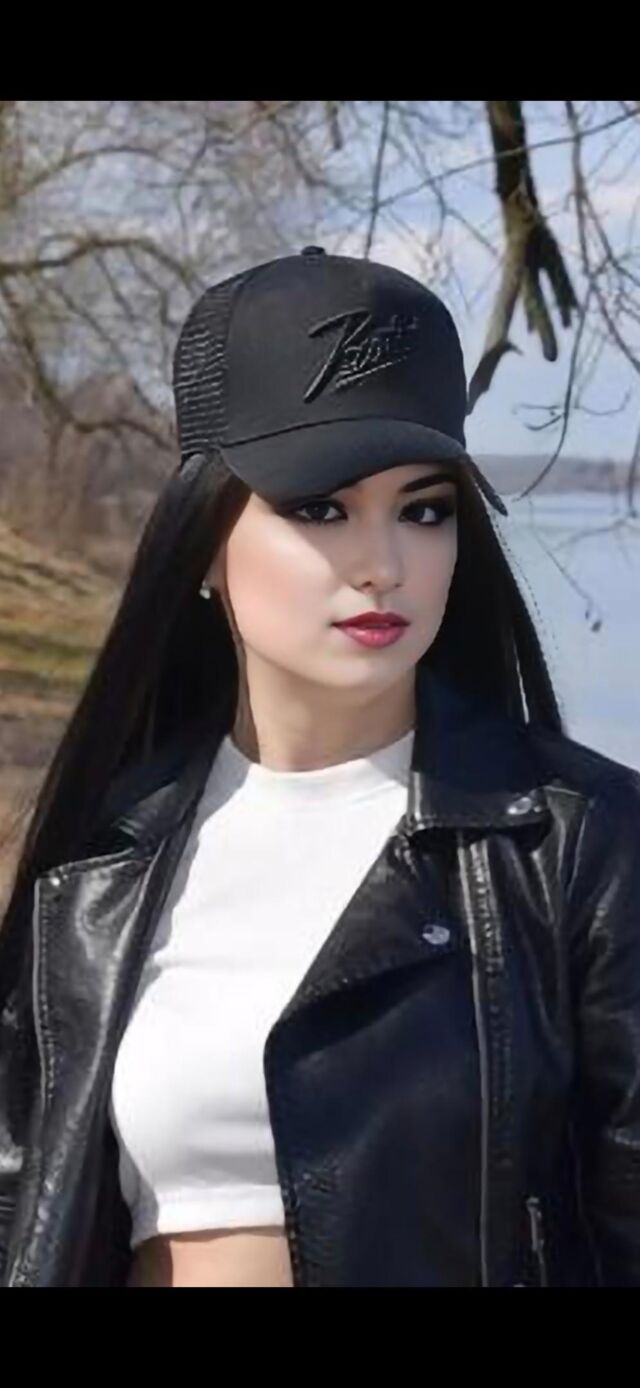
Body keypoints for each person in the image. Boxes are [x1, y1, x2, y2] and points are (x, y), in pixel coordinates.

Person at [1, 246, 639, 1288]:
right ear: (204, 540)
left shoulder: (578, 845)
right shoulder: (99, 866)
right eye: (321, 508)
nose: (382, 563)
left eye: (424, 508)